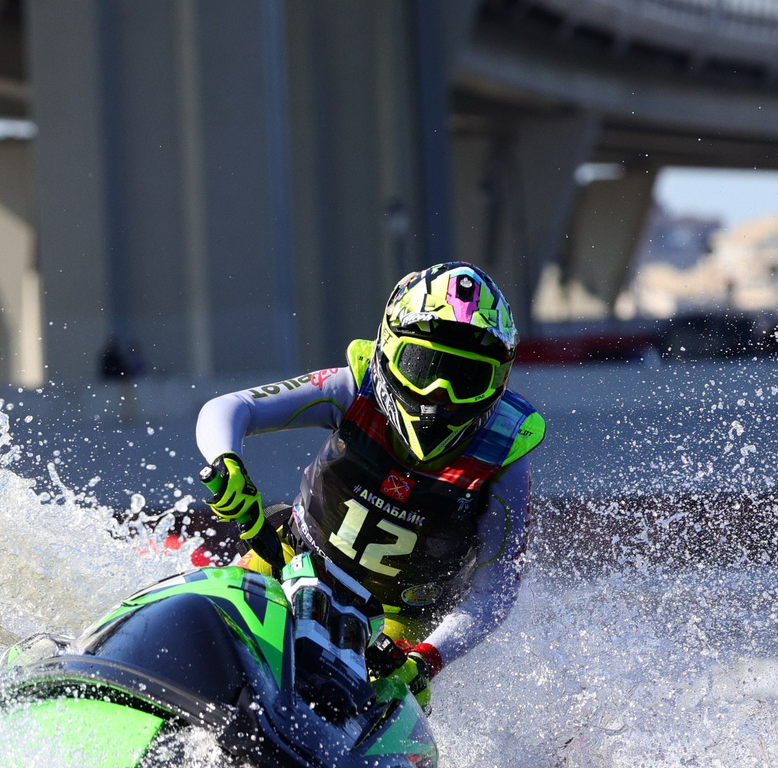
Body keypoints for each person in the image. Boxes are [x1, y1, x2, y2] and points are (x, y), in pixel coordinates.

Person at [194, 262, 543, 709]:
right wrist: (227, 464)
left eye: (466, 379)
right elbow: (230, 409)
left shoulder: (504, 456)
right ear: (389, 351)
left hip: (395, 628)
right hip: (285, 559)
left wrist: (426, 661)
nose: (440, 395)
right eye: (422, 366)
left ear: (496, 383)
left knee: (355, 703)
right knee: (203, 628)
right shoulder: (355, 387)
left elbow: (495, 591)